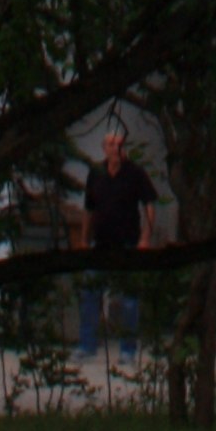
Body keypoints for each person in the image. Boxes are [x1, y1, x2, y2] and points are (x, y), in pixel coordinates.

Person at [74, 121, 156, 371]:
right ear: (104, 148)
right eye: (110, 144)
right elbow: (89, 208)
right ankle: (87, 345)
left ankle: (128, 350)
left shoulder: (135, 173)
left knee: (128, 300)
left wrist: (145, 239)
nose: (115, 148)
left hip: (127, 243)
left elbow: (150, 204)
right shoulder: (96, 173)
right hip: (101, 244)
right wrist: (84, 239)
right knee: (90, 293)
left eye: (119, 144)